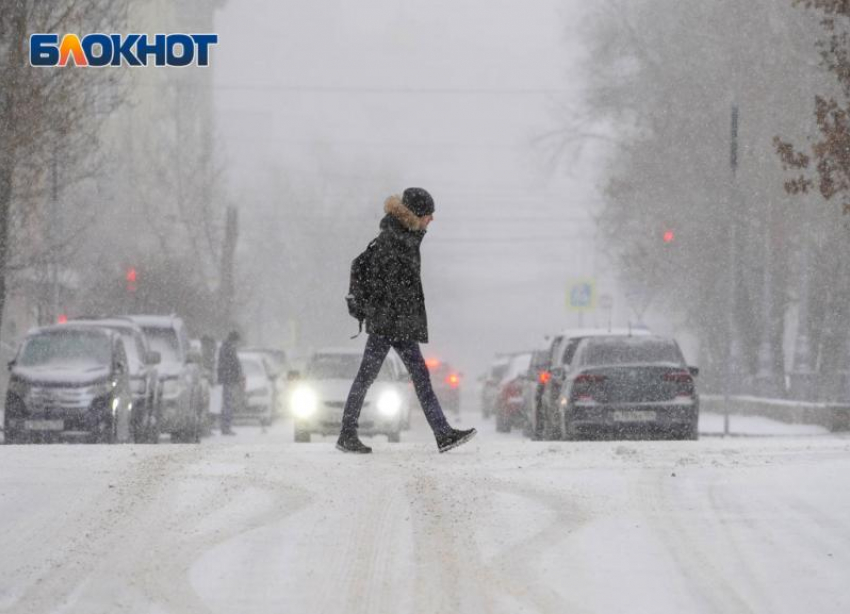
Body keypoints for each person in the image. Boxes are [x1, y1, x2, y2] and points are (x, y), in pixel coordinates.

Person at [338, 188, 477, 454]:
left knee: (379, 376)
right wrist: (397, 316)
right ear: (415, 214)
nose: (432, 219)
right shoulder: (396, 240)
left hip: (393, 322)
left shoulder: (403, 236)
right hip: (392, 323)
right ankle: (441, 433)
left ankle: (441, 433)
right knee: (394, 377)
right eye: (429, 214)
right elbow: (390, 285)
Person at [217, 330, 244, 436]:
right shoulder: (228, 349)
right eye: (237, 341)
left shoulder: (225, 348)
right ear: (234, 340)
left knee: (227, 403)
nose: (237, 344)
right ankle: (226, 427)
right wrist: (236, 376)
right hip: (228, 379)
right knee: (228, 404)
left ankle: (225, 427)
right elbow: (231, 364)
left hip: (227, 379)